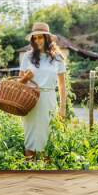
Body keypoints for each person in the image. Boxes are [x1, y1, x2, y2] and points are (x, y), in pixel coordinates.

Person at [19, 22, 67, 160]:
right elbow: (19, 83)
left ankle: (46, 173)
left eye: (41, 37)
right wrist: (26, 77)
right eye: (35, 38)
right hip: (31, 99)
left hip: (49, 99)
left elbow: (62, 85)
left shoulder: (57, 57)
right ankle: (29, 169)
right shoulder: (27, 56)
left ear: (47, 38)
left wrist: (62, 108)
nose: (37, 40)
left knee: (49, 137)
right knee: (30, 136)